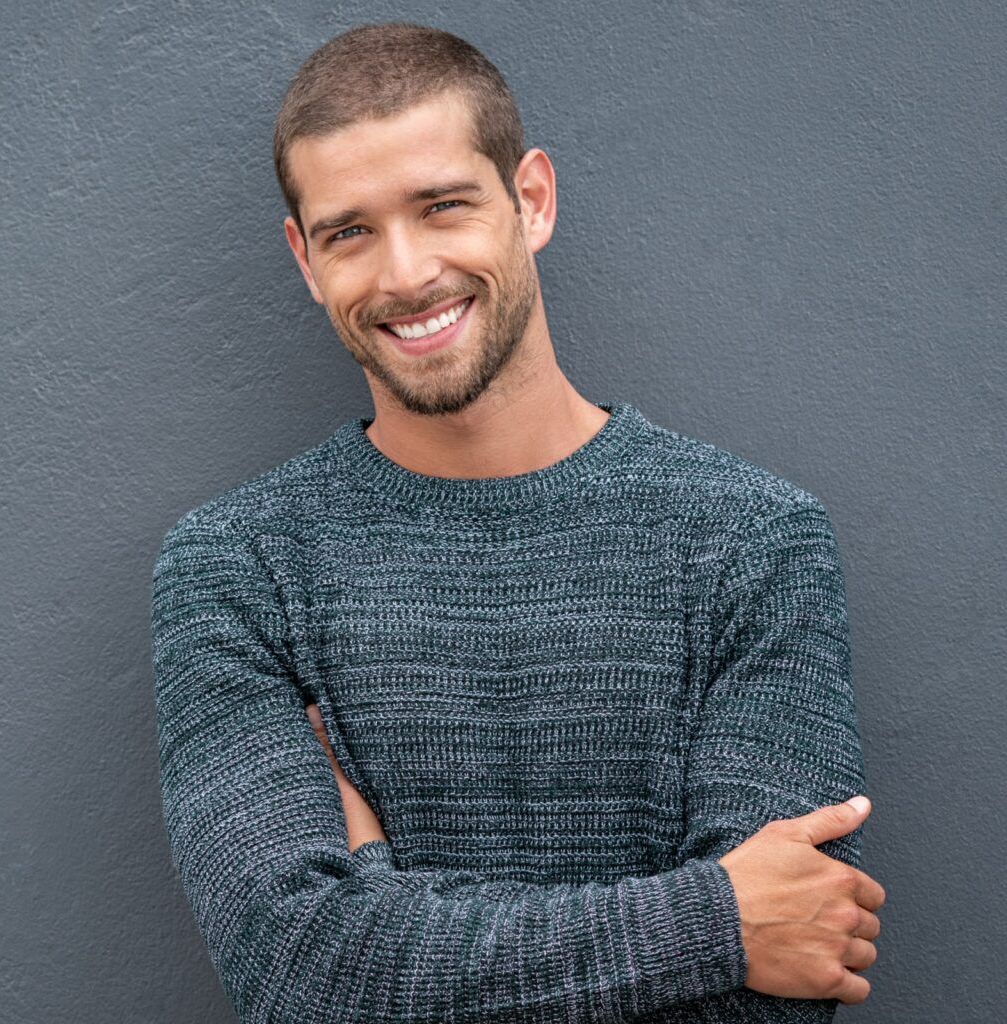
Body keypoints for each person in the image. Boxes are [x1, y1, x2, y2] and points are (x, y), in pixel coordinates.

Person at [150, 21, 885, 1024]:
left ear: (529, 198)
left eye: (441, 206)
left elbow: (772, 1000)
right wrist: (711, 920)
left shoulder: (752, 541)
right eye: (349, 231)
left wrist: (378, 904)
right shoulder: (235, 570)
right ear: (305, 258)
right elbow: (298, 977)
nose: (405, 273)